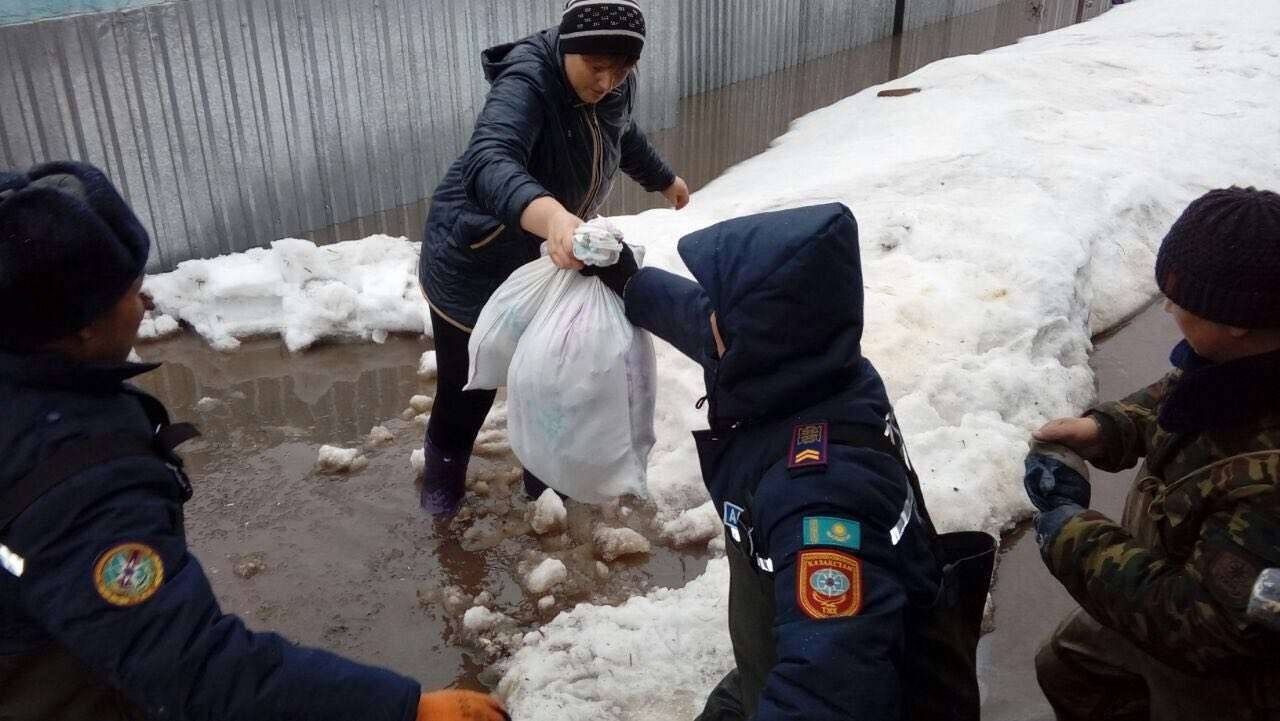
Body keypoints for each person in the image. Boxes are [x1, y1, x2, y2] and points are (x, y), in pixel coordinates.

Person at [0, 162, 507, 721]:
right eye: (130, 292)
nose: (144, 305)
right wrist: (406, 709)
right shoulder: (79, 483)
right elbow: (191, 667)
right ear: (80, 326)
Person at [586, 203, 995, 720]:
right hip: (792, 649)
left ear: (759, 335)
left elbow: (828, 694)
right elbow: (703, 322)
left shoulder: (819, 500)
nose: (709, 318)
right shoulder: (824, 363)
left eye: (724, 310)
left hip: (865, 684)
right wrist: (630, 284)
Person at [417, 0, 688, 515]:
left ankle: (544, 495)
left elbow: (620, 132)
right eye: (596, 67)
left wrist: (663, 179)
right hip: (474, 257)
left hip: (548, 256)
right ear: (568, 48)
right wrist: (556, 218)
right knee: (465, 390)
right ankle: (442, 495)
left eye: (623, 68)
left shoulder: (611, 81)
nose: (608, 81)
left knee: (548, 376)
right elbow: (489, 160)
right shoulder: (526, 82)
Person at [1025, 187, 1280, 720]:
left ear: (1237, 320)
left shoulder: (1269, 489)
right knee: (1069, 665)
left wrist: (1070, 533)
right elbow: (1184, 396)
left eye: (1183, 301)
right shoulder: (1245, 360)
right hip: (1179, 589)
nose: (1167, 307)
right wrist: (1107, 429)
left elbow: (1206, 628)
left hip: (1236, 664)